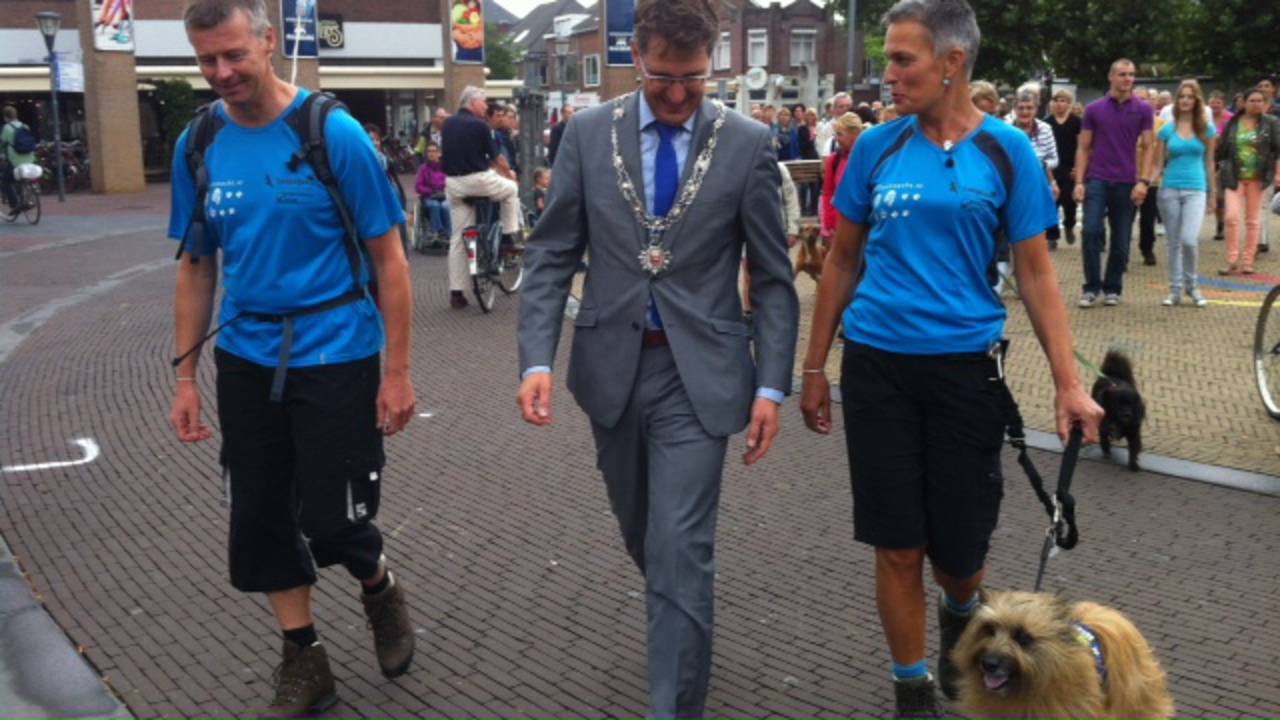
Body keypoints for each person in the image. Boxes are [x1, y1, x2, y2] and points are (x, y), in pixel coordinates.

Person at [797, 2, 1103, 716]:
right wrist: (814, 370)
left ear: (952, 63)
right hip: (877, 368)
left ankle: (960, 616)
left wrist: (1068, 384)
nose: (889, 76)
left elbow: (1035, 273)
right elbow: (842, 261)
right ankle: (912, 689)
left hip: (967, 370)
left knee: (958, 557)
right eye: (888, 60)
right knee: (897, 544)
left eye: (903, 60)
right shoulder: (876, 148)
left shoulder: (1007, 150)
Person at [515, 0, 799, 714]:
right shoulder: (584, 135)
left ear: (713, 66)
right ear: (637, 57)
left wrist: (772, 385)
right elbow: (552, 254)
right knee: (644, 531)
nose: (678, 95)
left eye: (695, 80)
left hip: (699, 372)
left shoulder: (746, 144)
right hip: (611, 364)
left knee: (679, 543)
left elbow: (772, 275)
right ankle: (683, 612)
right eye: (664, 78)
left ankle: (674, 702)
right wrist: (536, 361)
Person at [167, 1, 416, 714]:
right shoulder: (199, 142)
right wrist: (184, 375)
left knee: (331, 516)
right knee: (260, 512)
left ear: (268, 44)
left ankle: (378, 585)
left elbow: (389, 259)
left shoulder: (330, 134)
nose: (221, 72)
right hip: (246, 353)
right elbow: (194, 266)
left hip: (336, 348)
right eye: (207, 60)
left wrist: (397, 372)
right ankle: (304, 656)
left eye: (234, 55)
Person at [1074, 58, 1155, 308]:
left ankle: (1113, 286)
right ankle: (1091, 286)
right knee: (1089, 231)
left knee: (1121, 239)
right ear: (1111, 77)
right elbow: (1084, 146)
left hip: (1126, 181)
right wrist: (1079, 181)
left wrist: (1143, 181)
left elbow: (1149, 145)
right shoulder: (1094, 109)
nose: (1127, 79)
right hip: (1097, 179)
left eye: (1131, 75)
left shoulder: (1143, 109)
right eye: (1122, 74)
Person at [441, 86, 521, 309]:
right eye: (484, 102)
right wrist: (510, 175)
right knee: (511, 190)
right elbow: (496, 159)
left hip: (454, 184)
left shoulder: (447, 124)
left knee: (458, 239)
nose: (486, 106)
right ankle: (509, 237)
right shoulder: (480, 125)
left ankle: (456, 292)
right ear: (473, 102)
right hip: (477, 180)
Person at [1150, 79, 1216, 307]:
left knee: (1190, 240)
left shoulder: (1206, 129)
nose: (1186, 100)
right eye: (1182, 96)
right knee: (1173, 242)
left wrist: (1213, 194)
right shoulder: (1167, 129)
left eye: (1190, 96)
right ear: (1177, 101)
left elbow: (1210, 163)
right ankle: (1175, 289)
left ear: (1197, 100)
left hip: (1196, 189)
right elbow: (1158, 164)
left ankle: (1193, 286)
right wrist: (1145, 182)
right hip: (1169, 188)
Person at [1216, 86, 1280, 275]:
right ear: (1243, 103)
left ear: (1265, 103)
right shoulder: (1233, 123)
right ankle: (1232, 260)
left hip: (1258, 178)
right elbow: (1223, 149)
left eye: (1260, 101)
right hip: (1234, 176)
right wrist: (1220, 166)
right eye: (1252, 100)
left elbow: (1278, 150)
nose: (1256, 104)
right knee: (1231, 217)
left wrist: (1277, 174)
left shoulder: (1271, 123)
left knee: (1253, 220)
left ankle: (1248, 261)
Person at [1046, 88, 1082, 245]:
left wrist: (1078, 167)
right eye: (1057, 100)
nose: (1059, 104)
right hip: (1052, 167)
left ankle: (1069, 226)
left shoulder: (1077, 122)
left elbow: (1081, 146)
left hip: (1070, 167)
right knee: (1051, 201)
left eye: (1063, 101)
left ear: (1069, 104)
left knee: (1069, 200)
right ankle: (1052, 234)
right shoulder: (1047, 122)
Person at [820, 112, 863, 240]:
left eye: (840, 134)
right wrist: (829, 223)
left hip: (864, 226)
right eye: (836, 134)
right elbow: (828, 193)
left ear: (854, 134)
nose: (836, 139)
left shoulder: (868, 158)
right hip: (840, 226)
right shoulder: (834, 160)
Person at [0, 105, 35, 219]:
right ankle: (27, 198)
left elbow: (2, 144)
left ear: (5, 117)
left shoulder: (7, 128)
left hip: (16, 161)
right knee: (22, 178)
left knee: (6, 181)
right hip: (30, 159)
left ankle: (15, 205)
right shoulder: (25, 126)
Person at [415, 141, 451, 242]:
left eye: (434, 151)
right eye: (429, 151)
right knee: (434, 205)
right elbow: (418, 186)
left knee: (446, 206)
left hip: (443, 195)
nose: (431, 153)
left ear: (439, 153)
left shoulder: (445, 167)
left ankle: (448, 234)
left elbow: (450, 182)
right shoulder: (423, 169)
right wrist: (430, 191)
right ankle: (438, 231)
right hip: (429, 196)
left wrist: (445, 190)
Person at [1209, 90, 1233, 240]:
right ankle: (1219, 224)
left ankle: (1224, 224)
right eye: (1212, 102)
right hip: (1209, 158)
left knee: (1223, 195)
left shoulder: (1230, 118)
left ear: (1223, 104)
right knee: (1216, 195)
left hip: (1225, 159)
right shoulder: (1206, 117)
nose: (1214, 105)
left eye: (1218, 102)